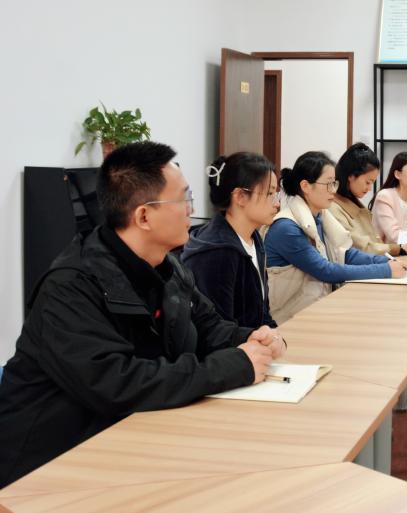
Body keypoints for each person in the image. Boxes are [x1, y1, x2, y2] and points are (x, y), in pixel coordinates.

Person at [0, 142, 284, 488]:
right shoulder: (70, 287)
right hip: (47, 466)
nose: (192, 210)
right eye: (183, 199)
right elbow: (117, 383)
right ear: (144, 216)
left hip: (128, 442)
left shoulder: (169, 267)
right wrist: (233, 366)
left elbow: (208, 326)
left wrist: (251, 338)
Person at [264, 151, 405, 323]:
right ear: (306, 186)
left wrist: (387, 262)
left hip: (316, 308)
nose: (333, 190)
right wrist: (386, 270)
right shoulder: (286, 227)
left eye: (334, 183)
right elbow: (325, 270)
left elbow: (345, 254)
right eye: (328, 184)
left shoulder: (319, 216)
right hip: (289, 320)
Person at [182, 152, 280, 328]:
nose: (277, 203)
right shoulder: (217, 252)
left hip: (253, 340)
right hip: (234, 344)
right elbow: (219, 329)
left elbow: (261, 313)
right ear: (240, 196)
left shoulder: (253, 238)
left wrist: (274, 334)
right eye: (270, 193)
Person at [329, 143, 407, 257]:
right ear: (351, 176)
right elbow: (360, 246)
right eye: (367, 182)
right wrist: (400, 249)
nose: (369, 189)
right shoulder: (333, 206)